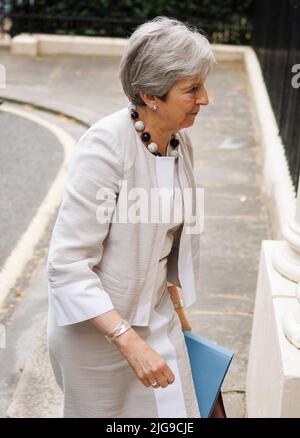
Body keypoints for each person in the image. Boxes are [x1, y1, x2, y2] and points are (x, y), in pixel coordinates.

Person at [46, 16, 216, 418]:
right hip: (96, 337)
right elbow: (67, 265)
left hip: (156, 320)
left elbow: (166, 237)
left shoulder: (178, 142)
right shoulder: (106, 147)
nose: (205, 99)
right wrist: (128, 340)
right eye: (192, 89)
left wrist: (176, 308)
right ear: (149, 95)